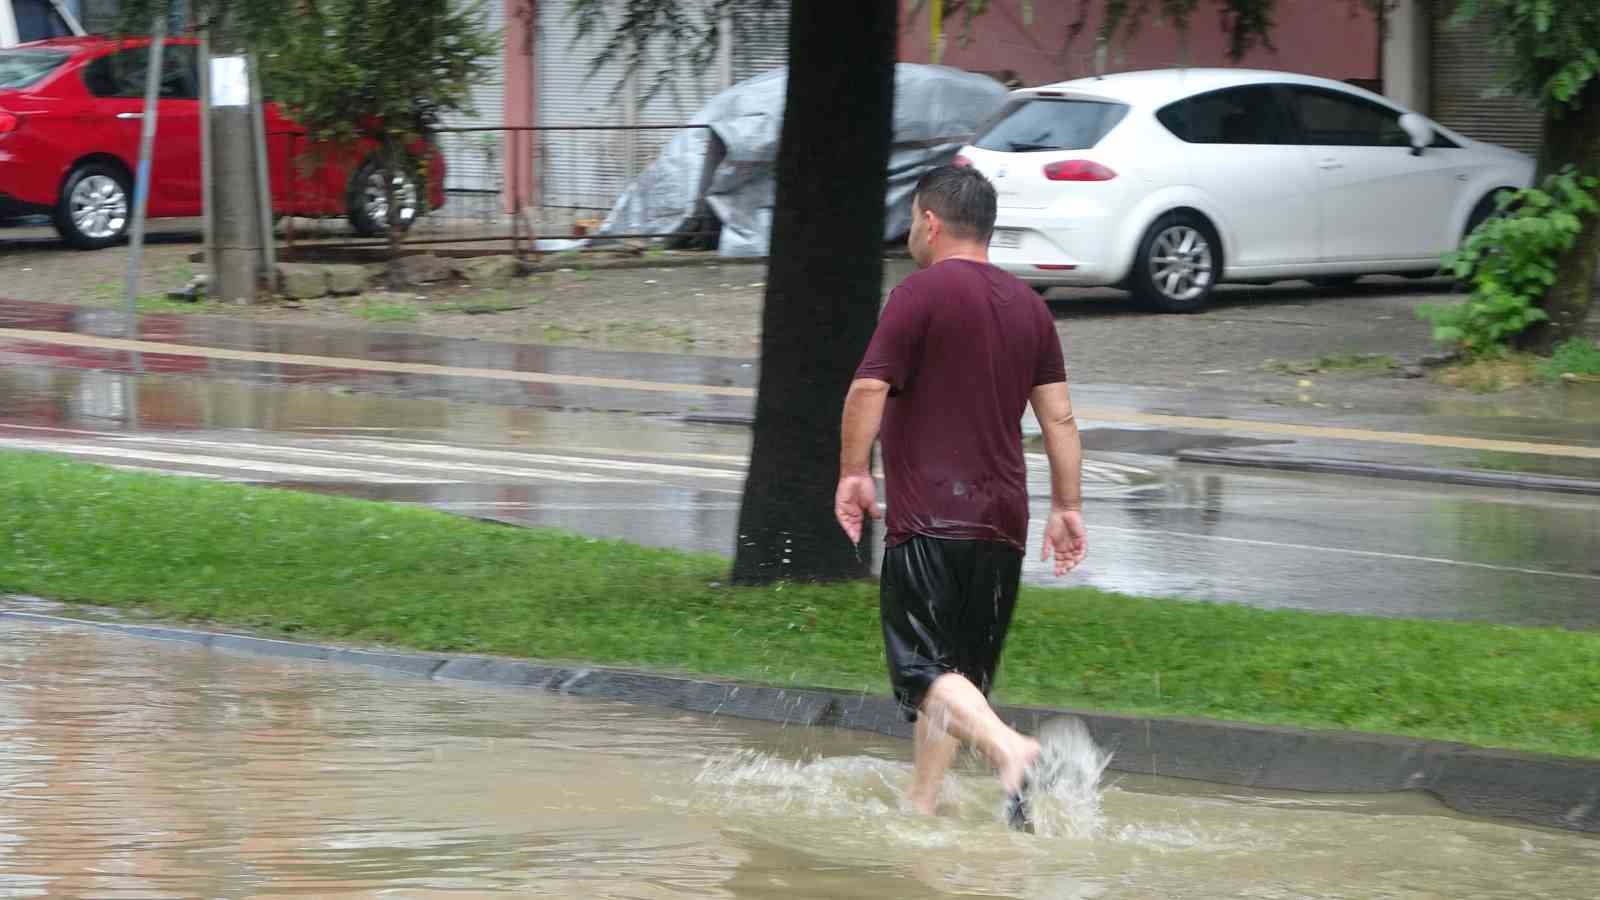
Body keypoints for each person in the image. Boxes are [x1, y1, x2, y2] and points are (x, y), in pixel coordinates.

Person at [834, 165, 1088, 827]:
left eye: (914, 219)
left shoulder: (919, 295)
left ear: (930, 221)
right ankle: (921, 805)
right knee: (956, 680)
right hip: (1002, 522)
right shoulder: (1030, 306)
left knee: (921, 671)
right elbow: (1059, 419)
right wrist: (1068, 508)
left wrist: (854, 472)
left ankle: (1011, 749)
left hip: (932, 518)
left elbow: (868, 389)